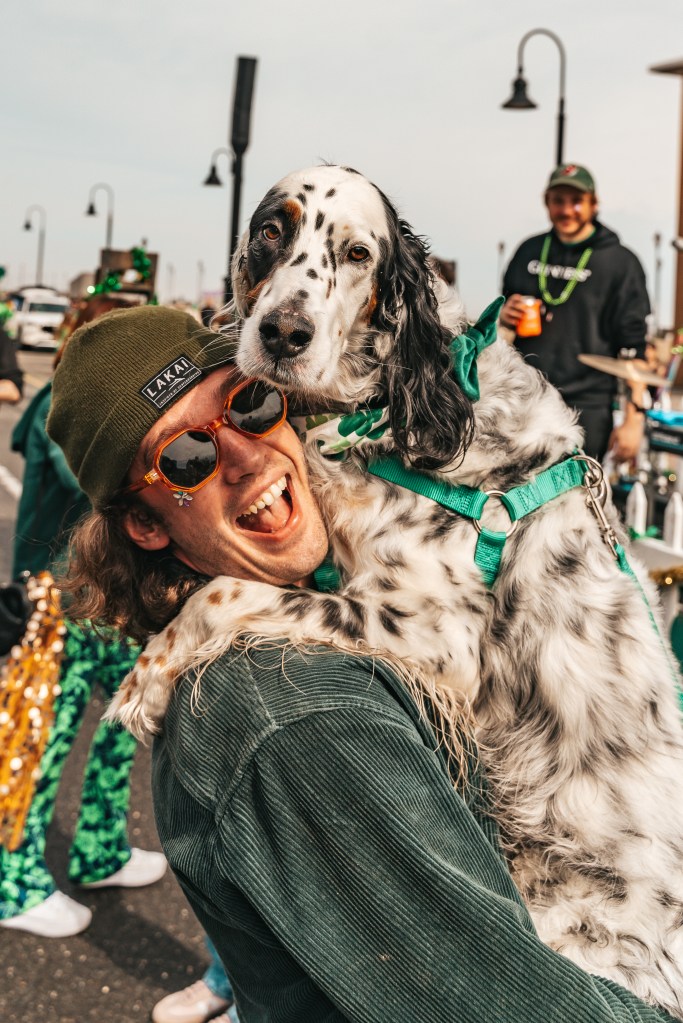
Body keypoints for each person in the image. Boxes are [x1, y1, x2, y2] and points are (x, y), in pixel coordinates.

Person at [47, 304, 675, 1021]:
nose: (246, 457)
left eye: (250, 404)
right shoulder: (293, 711)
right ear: (144, 523)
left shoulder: (313, 615)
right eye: (188, 458)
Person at [0, 297, 166, 938]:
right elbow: (94, 483)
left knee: (123, 725)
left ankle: (98, 847)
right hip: (57, 603)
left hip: (104, 605)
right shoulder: (66, 408)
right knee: (39, 740)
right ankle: (13, 884)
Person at [500, 163, 650, 463]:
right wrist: (504, 317)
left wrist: (634, 421)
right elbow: (503, 329)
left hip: (587, 405)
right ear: (547, 202)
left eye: (577, 201)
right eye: (558, 201)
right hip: (525, 395)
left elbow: (633, 348)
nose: (567, 210)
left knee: (575, 488)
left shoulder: (621, 263)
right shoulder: (528, 250)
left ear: (594, 204)